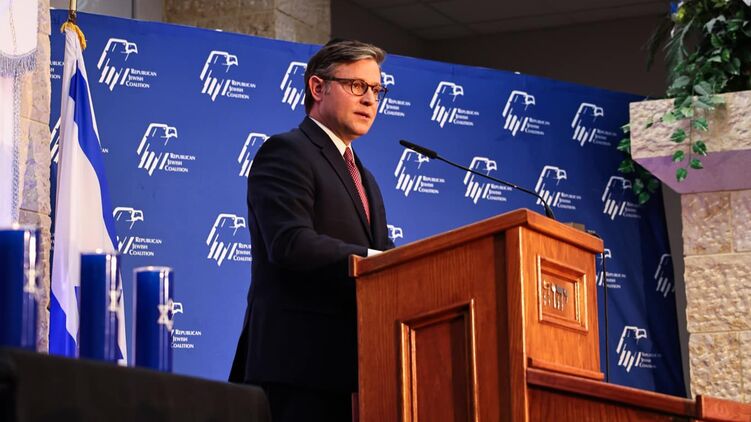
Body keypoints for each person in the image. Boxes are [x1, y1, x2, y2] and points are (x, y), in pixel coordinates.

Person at [229, 39, 394, 421]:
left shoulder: (365, 178)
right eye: (358, 86)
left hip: (357, 371)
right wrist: (375, 261)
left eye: (376, 90)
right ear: (318, 88)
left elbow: (385, 253)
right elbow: (290, 242)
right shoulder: (287, 152)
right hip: (298, 367)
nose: (370, 100)